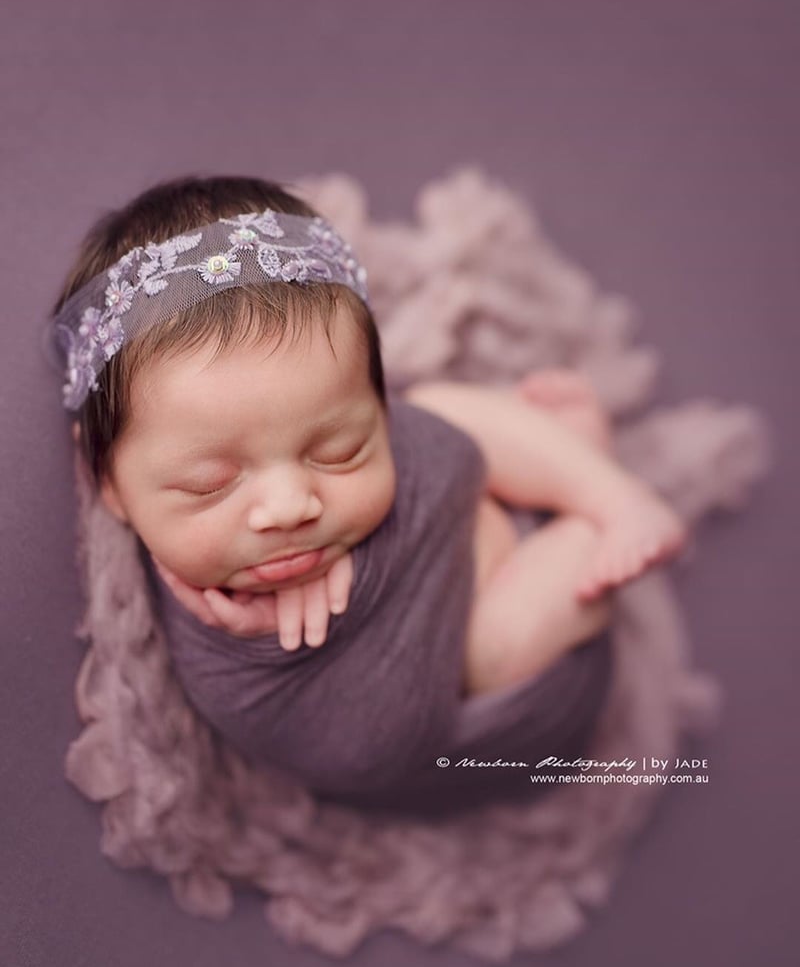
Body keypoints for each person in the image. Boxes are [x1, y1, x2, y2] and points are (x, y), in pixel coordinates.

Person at [50, 175, 687, 815]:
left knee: (439, 413)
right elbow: (372, 747)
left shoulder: (387, 432)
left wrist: (365, 549)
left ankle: (608, 493)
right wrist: (298, 625)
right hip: (504, 692)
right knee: (500, 642)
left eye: (338, 449)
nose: (291, 506)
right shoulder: (216, 638)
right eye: (210, 484)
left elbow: (445, 452)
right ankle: (578, 516)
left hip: (470, 521)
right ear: (113, 488)